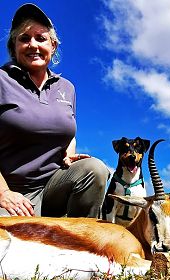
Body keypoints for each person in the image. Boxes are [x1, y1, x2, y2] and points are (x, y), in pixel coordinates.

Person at [0, 3, 110, 217]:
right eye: (24, 38)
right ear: (14, 46)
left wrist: (68, 154)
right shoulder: (2, 80)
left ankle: (81, 244)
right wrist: (3, 193)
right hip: (10, 192)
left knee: (95, 169)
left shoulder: (66, 88)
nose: (33, 45)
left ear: (53, 45)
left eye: (40, 38)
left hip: (52, 188)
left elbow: (68, 130)